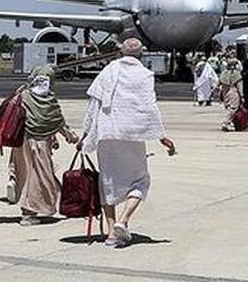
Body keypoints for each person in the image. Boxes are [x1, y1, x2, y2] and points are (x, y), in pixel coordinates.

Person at [80, 38, 176, 248]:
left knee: (108, 182)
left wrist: (86, 133)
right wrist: (161, 136)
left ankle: (111, 232)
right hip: (132, 135)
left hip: (107, 133)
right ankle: (123, 221)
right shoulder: (144, 75)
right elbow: (149, 108)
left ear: (120, 52)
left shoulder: (108, 71)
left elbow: (93, 104)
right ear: (141, 54)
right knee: (141, 181)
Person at [11, 66, 78, 226]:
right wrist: (70, 135)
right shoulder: (49, 99)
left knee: (31, 174)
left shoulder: (23, 95)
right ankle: (28, 212)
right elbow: (56, 120)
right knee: (40, 176)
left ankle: (63, 203)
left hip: (22, 143)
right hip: (39, 142)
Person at [217, 58, 244, 131]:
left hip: (225, 93)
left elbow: (218, 84)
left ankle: (230, 123)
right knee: (233, 109)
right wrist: (241, 96)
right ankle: (226, 122)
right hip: (233, 92)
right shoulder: (236, 74)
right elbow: (239, 86)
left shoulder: (223, 74)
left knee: (228, 108)